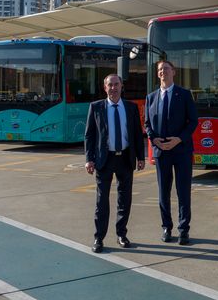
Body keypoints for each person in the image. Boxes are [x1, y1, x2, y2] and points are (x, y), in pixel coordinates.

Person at [84, 73, 145, 253]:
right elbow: (89, 135)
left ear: (121, 86)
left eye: (116, 84)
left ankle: (121, 234)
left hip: (125, 157)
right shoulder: (96, 107)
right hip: (105, 159)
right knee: (102, 201)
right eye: (110, 85)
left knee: (124, 199)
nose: (113, 88)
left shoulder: (131, 107)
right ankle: (99, 238)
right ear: (105, 88)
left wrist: (140, 157)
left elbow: (136, 134)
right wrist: (89, 159)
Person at [145, 59, 198, 245]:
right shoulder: (151, 98)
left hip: (181, 150)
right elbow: (147, 124)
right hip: (162, 152)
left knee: (183, 192)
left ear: (173, 72)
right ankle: (166, 227)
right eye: (160, 69)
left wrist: (179, 139)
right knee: (163, 193)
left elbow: (193, 121)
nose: (163, 72)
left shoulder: (183, 94)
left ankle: (184, 230)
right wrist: (154, 139)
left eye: (166, 69)